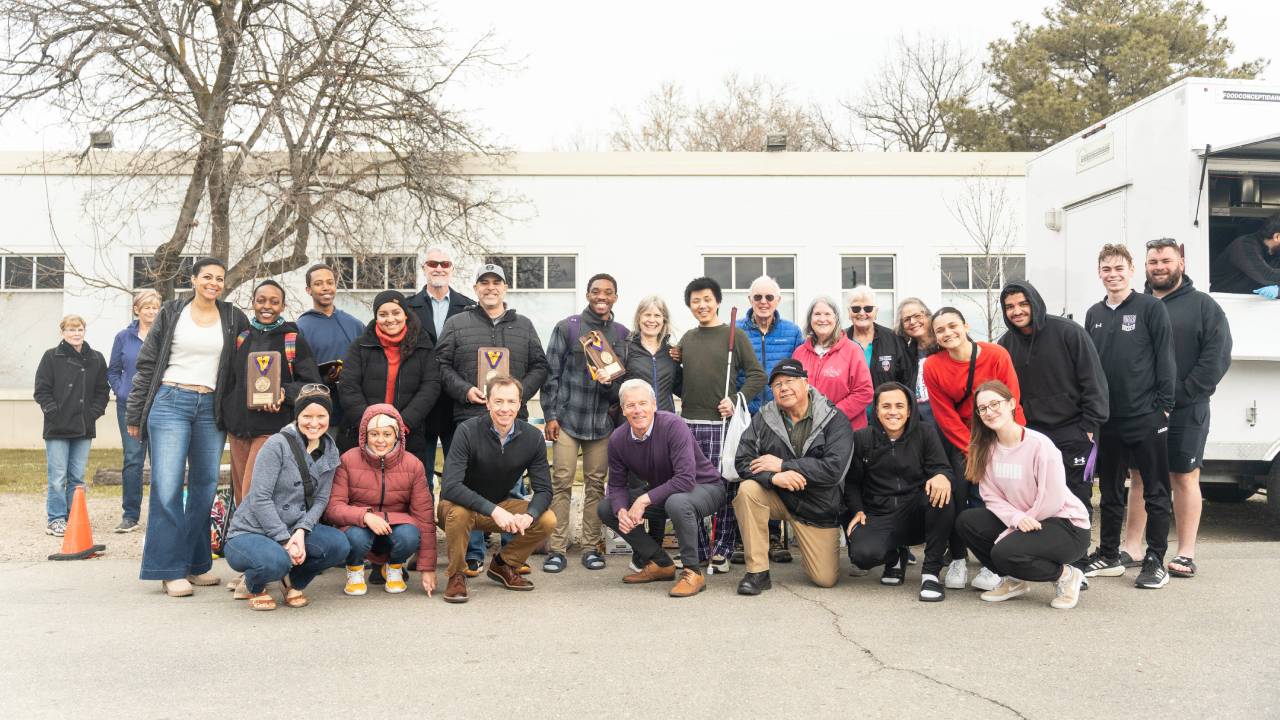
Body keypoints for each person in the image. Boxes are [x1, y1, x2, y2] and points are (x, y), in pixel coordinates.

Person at [127, 257, 249, 597]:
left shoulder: (233, 316)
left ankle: (195, 564)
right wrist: (135, 414)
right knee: (167, 486)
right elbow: (147, 364)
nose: (213, 283)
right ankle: (168, 570)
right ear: (193, 279)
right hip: (170, 401)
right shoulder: (171, 312)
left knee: (205, 488)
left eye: (219, 278)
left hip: (211, 407)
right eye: (207, 276)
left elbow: (247, 360)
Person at [1118, 238, 1232, 579]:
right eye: (1153, 262)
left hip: (1187, 408)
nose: (1159, 267)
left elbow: (1216, 357)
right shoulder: (1134, 304)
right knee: (1139, 477)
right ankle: (1132, 547)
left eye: (1166, 261)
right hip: (1142, 410)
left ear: (1180, 263)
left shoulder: (1203, 306)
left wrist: (1181, 394)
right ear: (1145, 267)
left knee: (1183, 476)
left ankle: (1185, 553)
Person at [1078, 243, 1176, 589]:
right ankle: (1108, 554)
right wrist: (1091, 416)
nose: (1113, 275)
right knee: (1110, 492)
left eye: (1119, 268)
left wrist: (1164, 407)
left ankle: (1155, 560)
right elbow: (1089, 369)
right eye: (1106, 269)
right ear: (1099, 273)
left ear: (1132, 271)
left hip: (1146, 416)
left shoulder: (1151, 308)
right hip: (1108, 420)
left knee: (1155, 491)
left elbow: (1165, 358)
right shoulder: (1093, 313)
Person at [956, 381, 1091, 610]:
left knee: (1004, 552)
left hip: (1066, 525)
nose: (989, 412)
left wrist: (1018, 526)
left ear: (1011, 404)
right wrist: (1017, 520)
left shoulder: (1040, 445)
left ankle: (1067, 576)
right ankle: (1015, 580)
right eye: (983, 408)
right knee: (967, 522)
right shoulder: (986, 448)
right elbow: (991, 497)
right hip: (1024, 520)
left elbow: (1052, 498)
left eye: (995, 404)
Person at [922, 306, 1024, 592]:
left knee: (990, 499)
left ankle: (993, 563)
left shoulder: (996, 355)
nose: (948, 333)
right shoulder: (933, 366)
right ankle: (957, 558)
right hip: (961, 439)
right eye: (940, 330)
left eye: (953, 326)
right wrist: (974, 450)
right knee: (957, 495)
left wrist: (1006, 443)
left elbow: (1011, 400)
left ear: (965, 326)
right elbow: (944, 414)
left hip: (999, 433)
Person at [732, 359, 852, 594]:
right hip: (779, 496)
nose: (784, 388)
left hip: (817, 508)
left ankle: (812, 550)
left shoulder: (834, 418)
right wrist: (772, 478)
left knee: (824, 579)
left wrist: (784, 466)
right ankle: (757, 572)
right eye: (777, 385)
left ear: (806, 384)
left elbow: (834, 469)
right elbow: (743, 460)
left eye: (790, 381)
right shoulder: (764, 417)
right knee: (748, 490)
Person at [222, 389, 350, 610]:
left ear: (329, 417)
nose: (314, 423)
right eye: (307, 416)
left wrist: (301, 530)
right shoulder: (277, 444)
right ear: (297, 416)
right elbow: (260, 497)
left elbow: (321, 499)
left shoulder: (330, 450)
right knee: (276, 561)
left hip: (294, 526)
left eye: (321, 416)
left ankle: (293, 582)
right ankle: (256, 585)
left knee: (338, 545)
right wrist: (284, 540)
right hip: (251, 530)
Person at [599, 379, 727, 598]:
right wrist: (621, 510)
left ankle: (693, 572)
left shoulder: (673, 425)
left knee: (677, 502)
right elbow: (617, 484)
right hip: (665, 494)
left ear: (654, 405)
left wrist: (642, 500)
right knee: (606, 507)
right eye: (631, 405)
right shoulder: (618, 439)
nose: (637, 410)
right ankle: (660, 563)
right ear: (623, 409)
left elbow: (685, 479)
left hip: (705, 487)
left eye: (643, 403)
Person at [438, 376, 557, 604]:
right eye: (498, 401)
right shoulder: (467, 430)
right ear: (488, 403)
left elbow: (544, 490)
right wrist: (494, 510)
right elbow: (451, 486)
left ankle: (504, 564)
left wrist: (529, 515)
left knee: (546, 519)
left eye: (511, 402)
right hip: (455, 508)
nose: (505, 408)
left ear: (520, 403)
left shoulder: (532, 437)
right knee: (460, 513)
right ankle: (456, 575)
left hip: (498, 505)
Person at [675, 276, 765, 574]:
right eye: (695, 301)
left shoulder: (734, 336)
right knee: (690, 486)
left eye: (707, 299)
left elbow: (757, 375)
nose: (702, 305)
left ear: (717, 302)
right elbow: (684, 382)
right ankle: (698, 549)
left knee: (723, 486)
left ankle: (722, 550)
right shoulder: (687, 339)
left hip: (721, 425)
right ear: (689, 305)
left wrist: (736, 399)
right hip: (688, 424)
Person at [997, 280, 1109, 515]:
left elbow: (1093, 381)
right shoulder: (1005, 345)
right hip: (1032, 435)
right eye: (1010, 307)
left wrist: (1088, 427)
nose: (1017, 311)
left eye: (1023, 304)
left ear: (1035, 303)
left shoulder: (1069, 332)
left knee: (1077, 498)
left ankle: (1078, 542)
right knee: (1038, 498)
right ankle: (1046, 541)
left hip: (1074, 430)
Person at [542, 273, 629, 573]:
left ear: (615, 297)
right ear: (588, 294)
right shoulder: (568, 327)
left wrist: (609, 384)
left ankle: (591, 547)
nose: (601, 296)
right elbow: (551, 374)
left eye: (608, 292)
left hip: (602, 424)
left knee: (595, 485)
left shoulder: (622, 334)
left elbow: (623, 385)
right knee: (561, 483)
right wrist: (551, 415)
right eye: (596, 291)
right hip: (567, 420)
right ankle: (557, 549)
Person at [845, 383, 954, 601]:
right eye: (886, 406)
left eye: (899, 406)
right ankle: (894, 557)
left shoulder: (925, 433)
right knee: (862, 556)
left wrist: (943, 476)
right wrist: (857, 510)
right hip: (879, 512)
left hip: (916, 511)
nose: (893, 412)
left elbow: (942, 467)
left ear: (909, 410)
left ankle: (931, 574)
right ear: (876, 410)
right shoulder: (862, 438)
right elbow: (852, 482)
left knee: (942, 494)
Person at [221, 280, 322, 504]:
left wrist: (284, 393)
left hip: (270, 429)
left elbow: (311, 386)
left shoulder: (292, 340)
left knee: (254, 495)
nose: (267, 306)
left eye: (274, 302)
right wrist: (229, 414)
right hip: (238, 431)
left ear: (283, 306)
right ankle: (244, 528)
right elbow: (231, 381)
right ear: (253, 303)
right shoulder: (242, 338)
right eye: (261, 300)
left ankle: (256, 528)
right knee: (241, 497)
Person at [324, 404, 437, 597]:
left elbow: (424, 517)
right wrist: (365, 516)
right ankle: (355, 569)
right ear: (364, 435)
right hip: (359, 527)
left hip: (396, 528)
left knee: (410, 535)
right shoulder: (348, 460)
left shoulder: (413, 465)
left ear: (397, 435)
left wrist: (428, 568)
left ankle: (394, 567)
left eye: (387, 434)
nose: (381, 440)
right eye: (374, 434)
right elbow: (333, 507)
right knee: (356, 538)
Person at [338, 290, 441, 479]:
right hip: (362, 434)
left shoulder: (423, 346)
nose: (390, 319)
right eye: (383, 314)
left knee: (404, 489)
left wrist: (403, 423)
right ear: (376, 317)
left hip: (409, 435)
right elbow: (348, 385)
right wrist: (369, 424)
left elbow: (431, 386)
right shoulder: (360, 346)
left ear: (405, 314)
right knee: (361, 488)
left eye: (396, 312)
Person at [436, 262, 549, 424]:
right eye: (484, 283)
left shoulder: (524, 325)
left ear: (505, 288)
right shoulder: (455, 323)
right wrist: (465, 391)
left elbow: (540, 366)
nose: (490, 288)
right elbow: (440, 364)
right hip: (470, 417)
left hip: (514, 417)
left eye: (496, 283)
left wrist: (518, 393)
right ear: (476, 288)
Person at [404, 246, 475, 487]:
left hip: (456, 403)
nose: (439, 268)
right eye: (433, 263)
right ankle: (422, 514)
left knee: (459, 476)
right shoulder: (406, 308)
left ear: (452, 269)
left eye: (444, 264)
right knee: (418, 476)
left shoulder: (469, 308)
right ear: (423, 268)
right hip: (419, 402)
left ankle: (454, 512)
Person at [34, 314, 109, 537]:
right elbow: (41, 390)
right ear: (62, 332)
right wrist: (53, 412)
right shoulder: (51, 356)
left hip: (84, 427)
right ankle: (56, 519)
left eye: (79, 330)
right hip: (57, 427)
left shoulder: (96, 358)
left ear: (84, 331)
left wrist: (93, 413)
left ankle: (73, 517)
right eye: (71, 330)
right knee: (57, 477)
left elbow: (102, 391)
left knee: (77, 478)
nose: (76, 334)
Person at [107, 290, 161, 533]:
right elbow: (113, 370)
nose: (151, 311)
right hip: (130, 407)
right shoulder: (123, 337)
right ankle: (130, 515)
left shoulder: (164, 336)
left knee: (162, 461)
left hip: (160, 405)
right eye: (146, 307)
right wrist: (121, 391)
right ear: (136, 310)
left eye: (155, 307)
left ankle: (161, 517)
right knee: (133, 460)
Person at [295, 263, 365, 446]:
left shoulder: (354, 324)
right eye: (318, 284)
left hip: (354, 412)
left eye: (330, 282)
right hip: (319, 414)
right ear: (308, 290)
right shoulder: (300, 328)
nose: (325, 287)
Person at [792, 296, 875, 431]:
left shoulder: (853, 350)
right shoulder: (799, 353)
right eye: (817, 314)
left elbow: (864, 392)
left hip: (844, 430)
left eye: (827, 314)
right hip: (808, 430)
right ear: (810, 319)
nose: (822, 319)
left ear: (836, 319)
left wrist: (831, 415)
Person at [737, 275, 805, 413]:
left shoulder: (793, 332)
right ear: (750, 299)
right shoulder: (735, 331)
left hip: (781, 412)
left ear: (778, 300)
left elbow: (801, 375)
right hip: (744, 412)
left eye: (769, 297)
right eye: (757, 297)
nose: (763, 302)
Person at [845, 285, 913, 390]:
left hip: (887, 400)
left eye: (868, 308)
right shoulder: (839, 341)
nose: (862, 313)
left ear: (876, 312)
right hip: (849, 401)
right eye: (856, 309)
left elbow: (907, 380)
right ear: (849, 313)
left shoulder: (894, 339)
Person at [621, 295, 682, 412]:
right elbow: (614, 389)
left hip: (665, 419)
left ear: (664, 320)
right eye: (647, 315)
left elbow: (683, 389)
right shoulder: (625, 349)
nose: (652, 320)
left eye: (657, 315)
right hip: (635, 419)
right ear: (639, 318)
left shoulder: (671, 353)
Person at [1208, 213, 1280, 297]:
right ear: (1277, 237)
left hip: (1258, 301)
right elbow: (1267, 276)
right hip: (1224, 300)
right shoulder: (1245, 245)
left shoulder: (1276, 250)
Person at [895, 298, 935, 425]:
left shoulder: (945, 346)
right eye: (907, 319)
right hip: (922, 424)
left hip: (948, 421)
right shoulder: (907, 354)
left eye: (917, 316)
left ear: (928, 316)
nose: (912, 322)